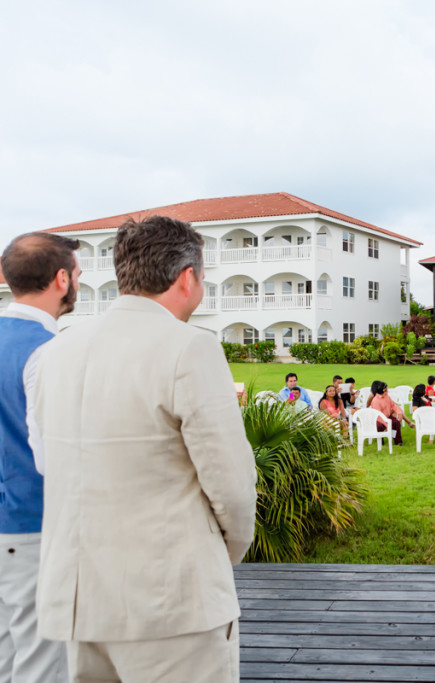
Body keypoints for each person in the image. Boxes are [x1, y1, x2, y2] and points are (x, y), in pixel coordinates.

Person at [33, 215, 257, 681]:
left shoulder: (57, 350)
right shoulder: (189, 348)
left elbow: (47, 460)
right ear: (187, 277)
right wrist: (222, 555)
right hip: (169, 601)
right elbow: (232, 485)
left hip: (77, 598)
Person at [0, 232, 81, 682]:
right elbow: (53, 456)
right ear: (62, 278)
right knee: (42, 665)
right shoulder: (48, 352)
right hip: (33, 527)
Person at [369, 380, 413, 446]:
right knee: (379, 426)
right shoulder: (376, 401)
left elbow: (394, 405)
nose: (388, 389)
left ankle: (398, 442)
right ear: (384, 390)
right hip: (378, 419)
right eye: (387, 388)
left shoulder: (387, 397)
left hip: (387, 416)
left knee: (396, 423)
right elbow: (378, 416)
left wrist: (399, 413)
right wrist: (386, 424)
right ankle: (380, 440)